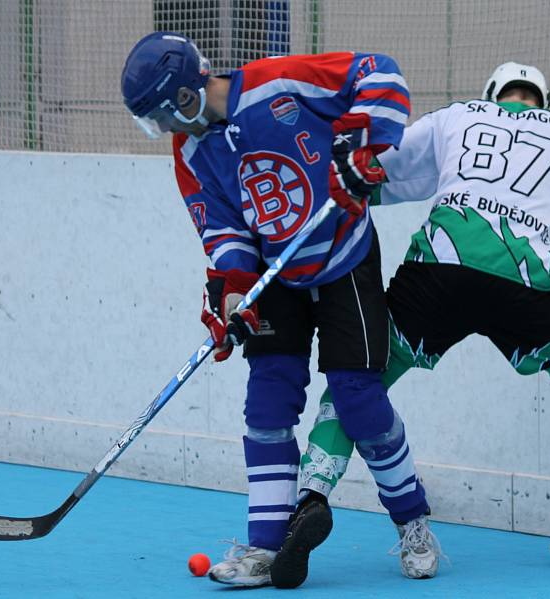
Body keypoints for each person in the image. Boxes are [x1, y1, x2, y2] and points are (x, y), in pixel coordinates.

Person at [273, 61, 550, 585]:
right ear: (542, 100)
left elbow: (376, 173)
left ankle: (310, 497)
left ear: (491, 95)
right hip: (520, 283)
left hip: (434, 272)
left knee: (359, 380)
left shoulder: (458, 116)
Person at [120, 32, 442, 587]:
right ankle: (265, 549)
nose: (165, 131)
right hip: (279, 277)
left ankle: (413, 521)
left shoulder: (279, 82)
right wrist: (233, 294)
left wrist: (360, 145)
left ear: (185, 96)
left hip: (344, 257)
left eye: (163, 116)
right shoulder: (190, 153)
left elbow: (380, 73)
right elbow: (221, 228)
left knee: (358, 399)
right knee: (267, 404)